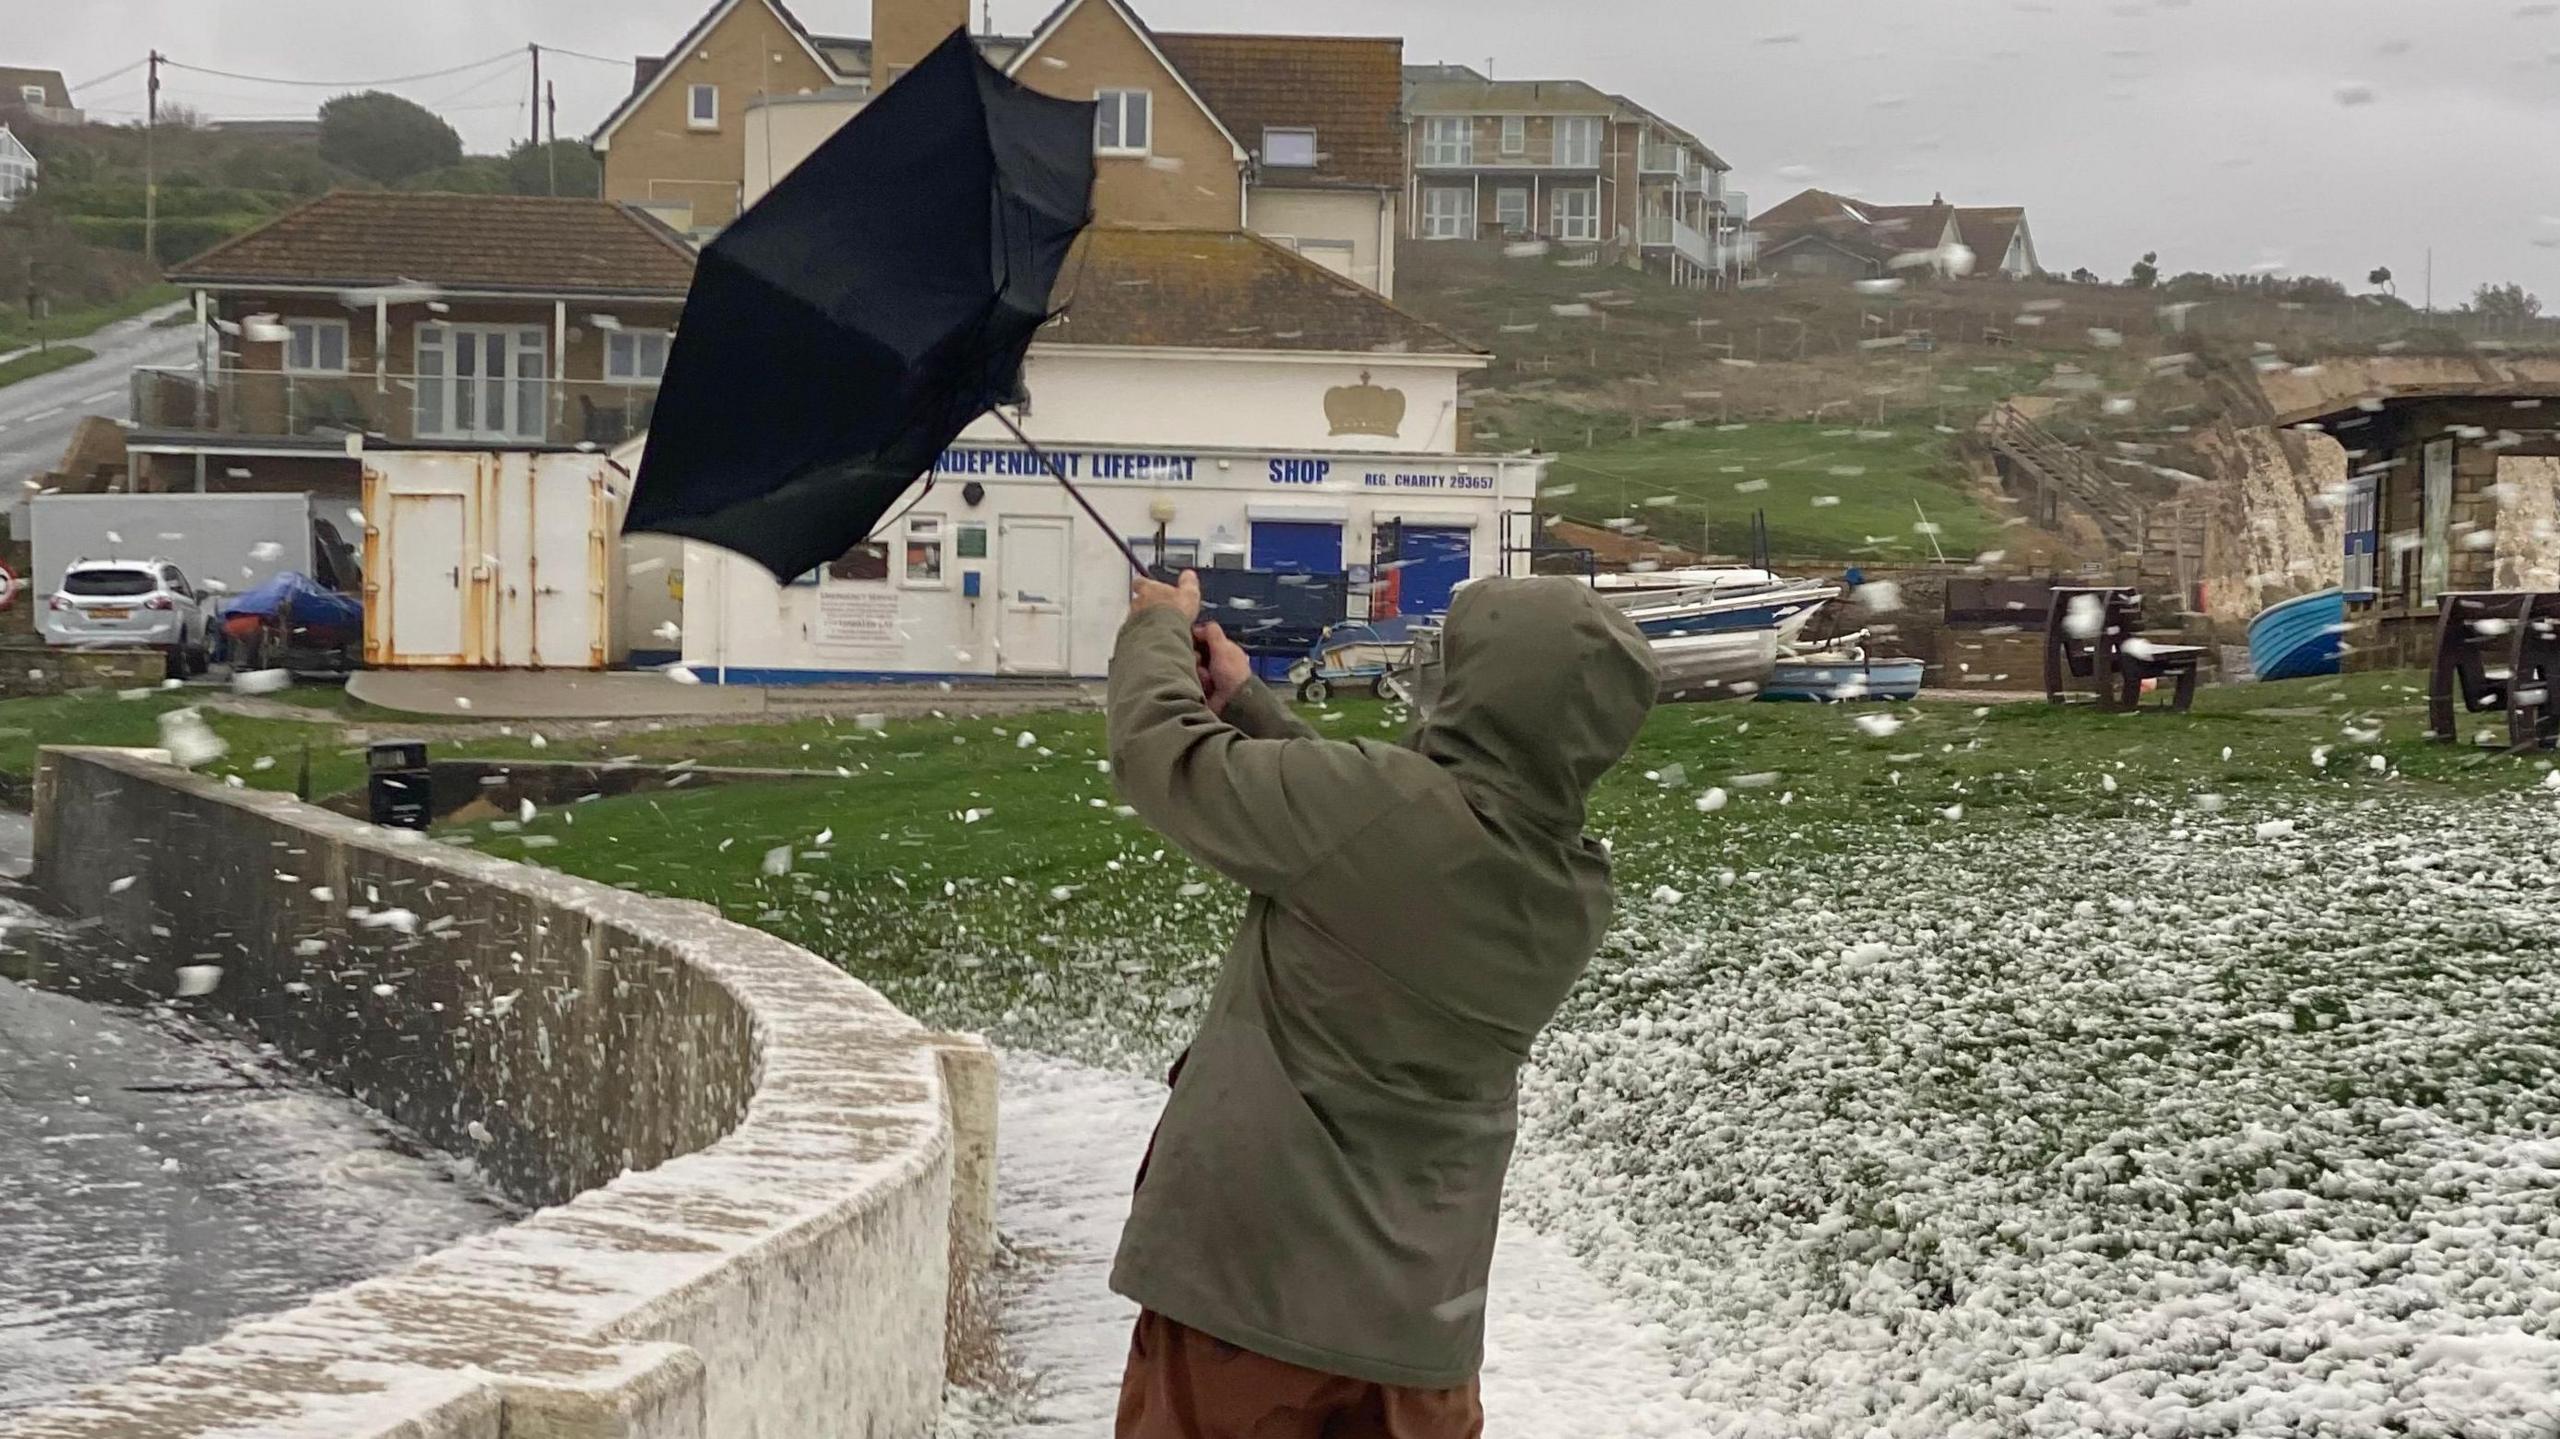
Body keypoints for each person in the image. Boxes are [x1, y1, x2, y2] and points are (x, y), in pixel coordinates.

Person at [1105, 570, 1660, 1439]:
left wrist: (1157, 634)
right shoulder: (1572, 891)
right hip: (1419, 1347)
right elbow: (1387, 832)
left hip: (1254, 1314)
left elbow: (1158, 756)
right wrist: (1250, 703)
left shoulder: (1374, 817)